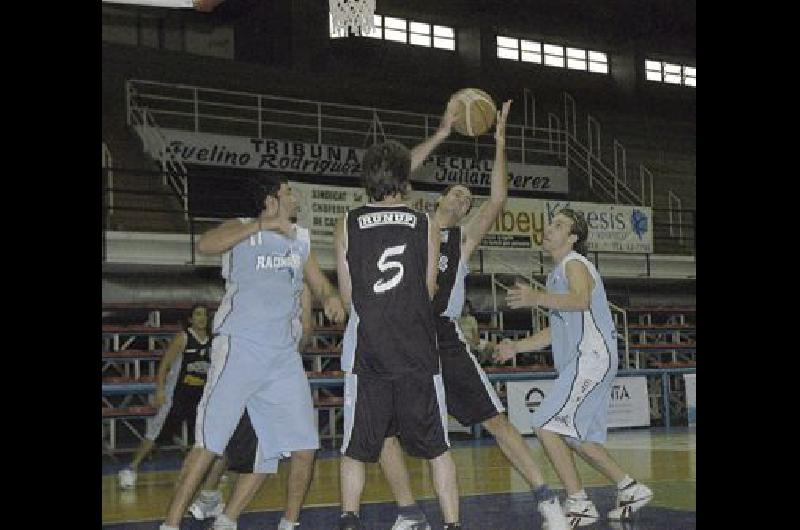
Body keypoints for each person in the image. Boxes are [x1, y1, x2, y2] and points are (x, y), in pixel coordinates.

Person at [377, 101, 569, 530]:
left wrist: (500, 142)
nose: (463, 198)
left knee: (495, 420)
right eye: (457, 193)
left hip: (443, 336)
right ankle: (408, 512)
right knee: (384, 427)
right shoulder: (412, 223)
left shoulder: (460, 240)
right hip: (402, 336)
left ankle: (545, 497)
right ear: (439, 197)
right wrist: (444, 130)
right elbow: (395, 173)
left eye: (467, 198)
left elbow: (498, 198)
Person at [158, 177, 346, 530]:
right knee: (209, 444)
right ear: (271, 201)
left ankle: (290, 523)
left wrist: (331, 298)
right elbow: (206, 244)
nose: (295, 196)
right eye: (288, 191)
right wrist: (264, 225)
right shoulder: (242, 228)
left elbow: (318, 282)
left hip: (282, 357)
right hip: (240, 348)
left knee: (305, 447)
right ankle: (170, 524)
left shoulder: (300, 239)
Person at [496, 208, 653, 526]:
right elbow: (556, 329)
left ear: (573, 237)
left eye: (558, 225)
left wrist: (536, 297)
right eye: (550, 224)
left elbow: (581, 300)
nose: (549, 229)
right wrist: (517, 346)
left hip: (590, 359)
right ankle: (629, 487)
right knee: (577, 438)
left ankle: (579, 502)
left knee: (545, 424)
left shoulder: (575, 264)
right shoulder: (558, 274)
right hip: (587, 361)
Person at [334, 139, 461, 530]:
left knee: (356, 448)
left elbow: (347, 295)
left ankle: (350, 519)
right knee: (438, 448)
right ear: (404, 181)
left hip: (371, 351)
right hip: (416, 351)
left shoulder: (347, 223)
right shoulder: (425, 224)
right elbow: (427, 289)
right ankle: (453, 524)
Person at [118, 304, 215, 490]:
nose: (202, 318)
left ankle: (202, 471)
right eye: (198, 314)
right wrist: (160, 390)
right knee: (155, 435)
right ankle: (130, 468)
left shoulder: (212, 341)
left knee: (203, 436)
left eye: (205, 315)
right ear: (190, 319)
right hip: (176, 395)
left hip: (199, 397)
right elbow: (164, 366)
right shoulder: (183, 338)